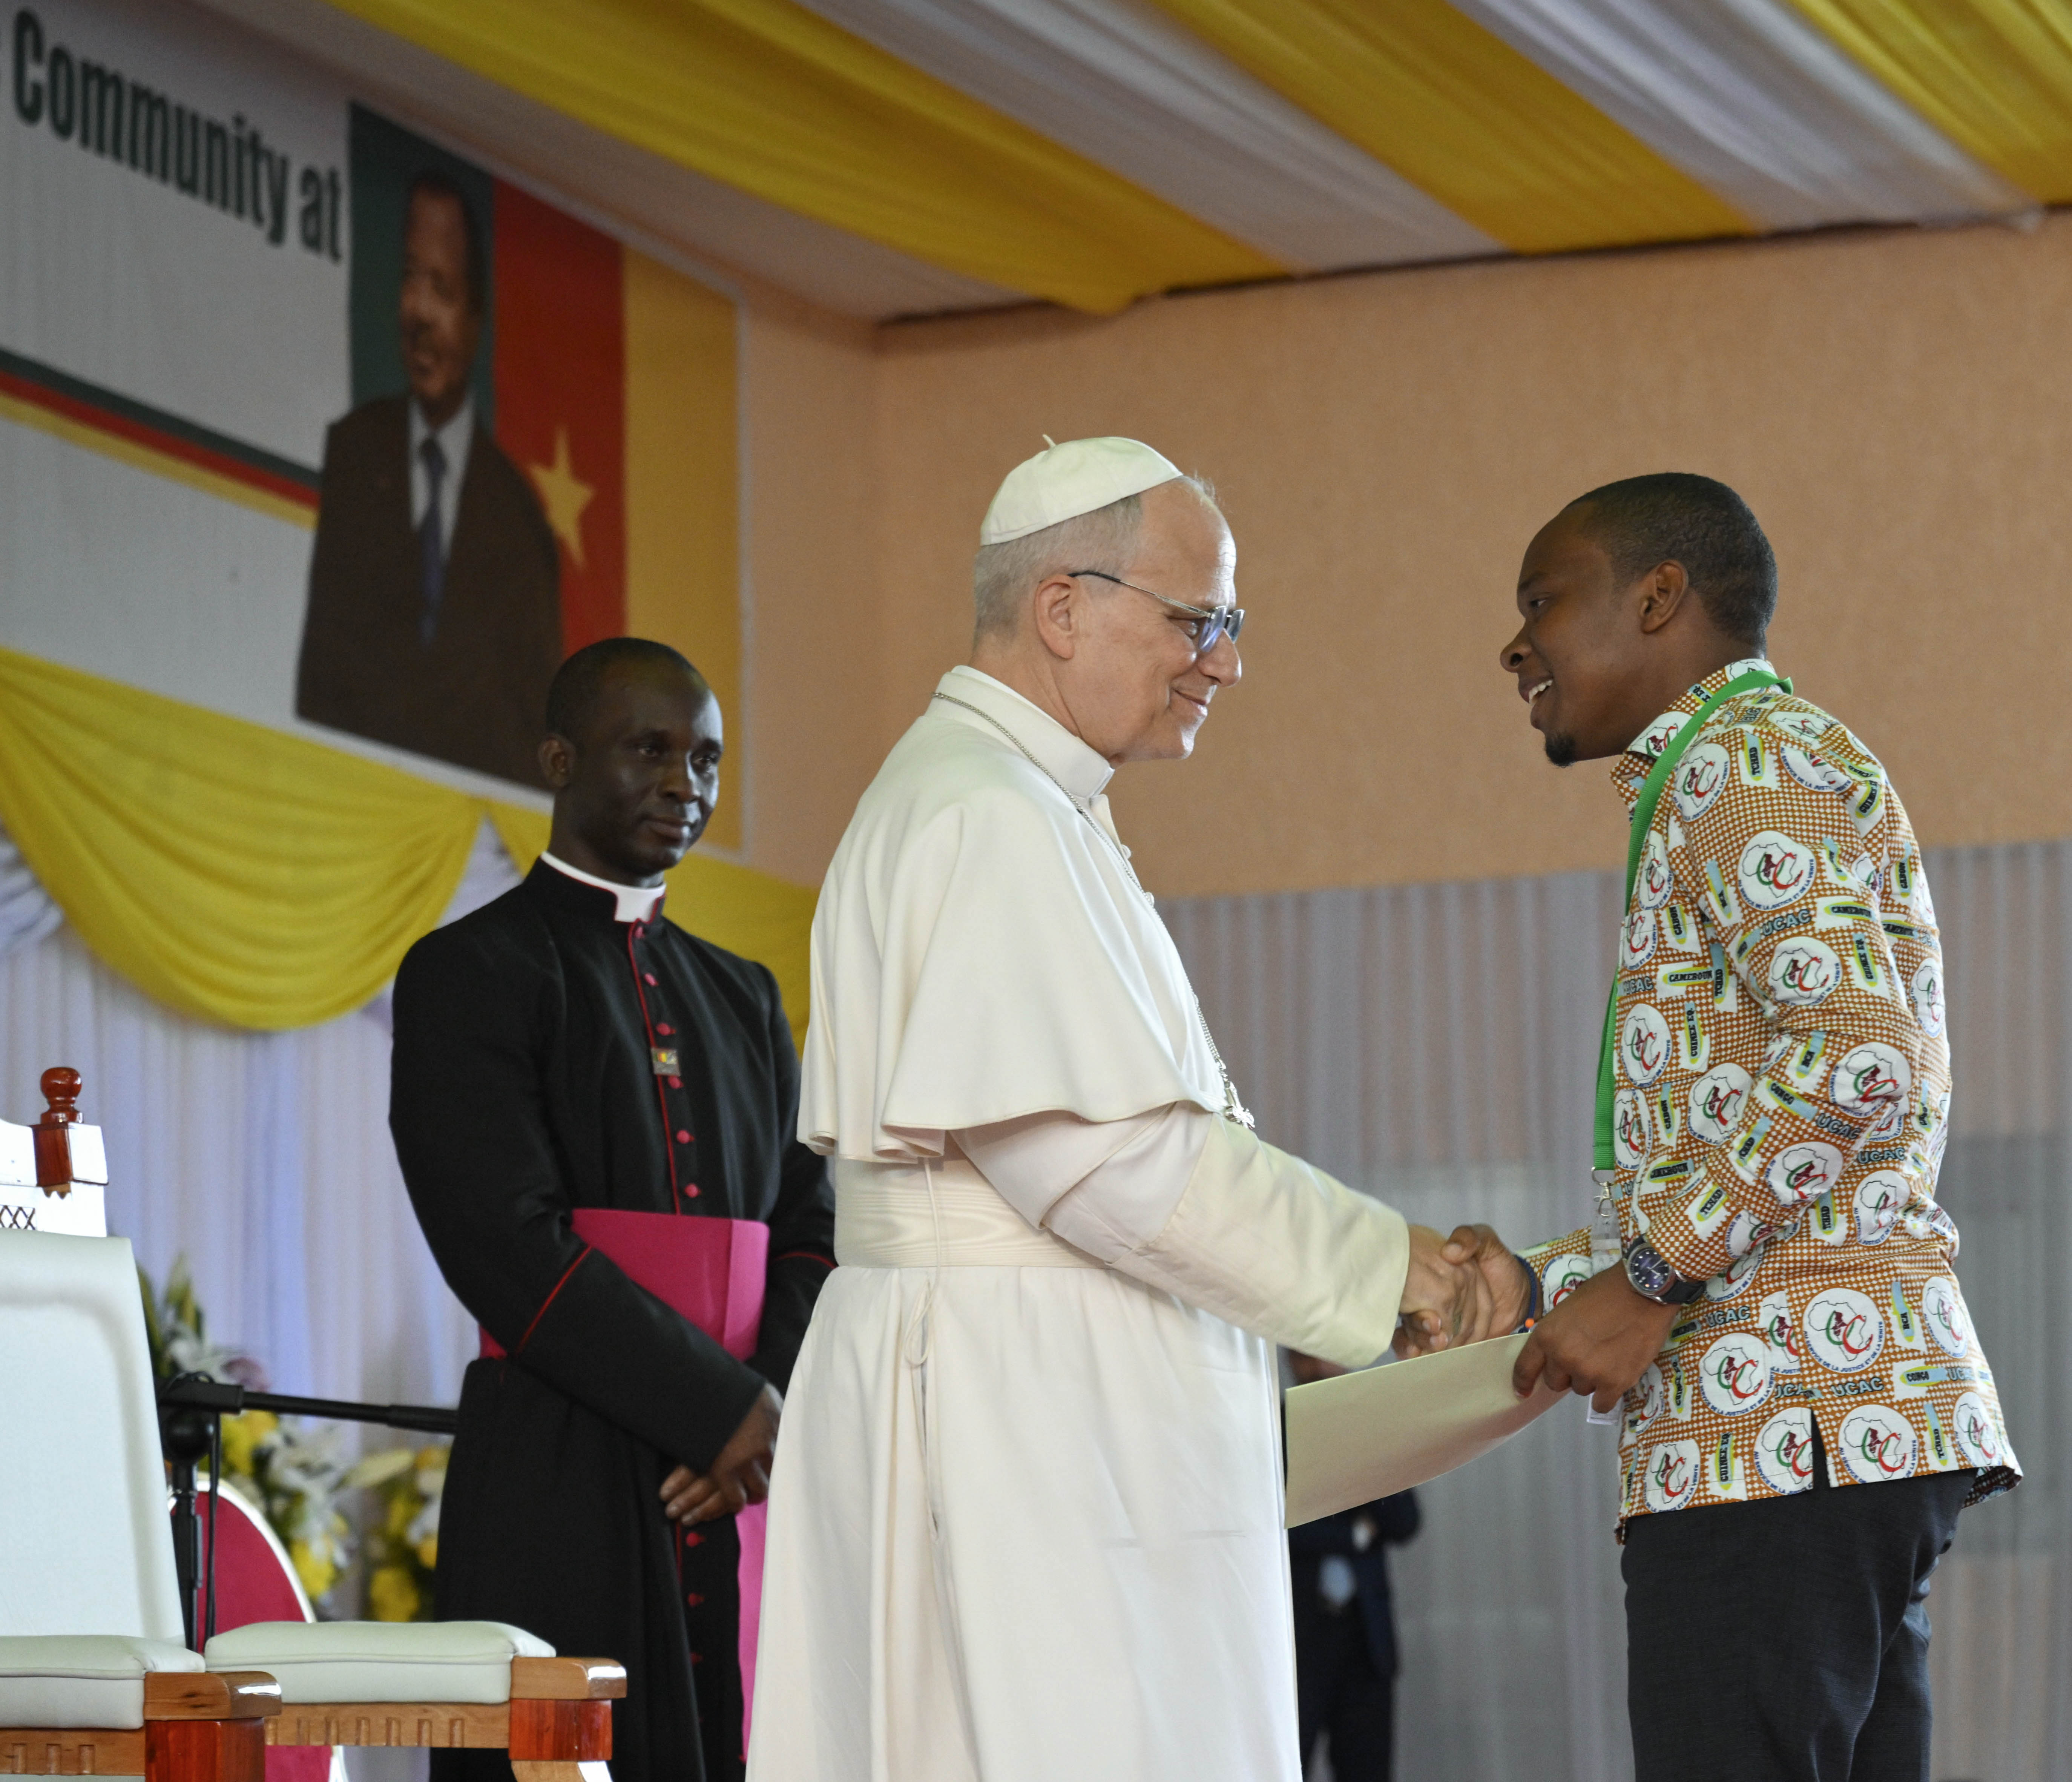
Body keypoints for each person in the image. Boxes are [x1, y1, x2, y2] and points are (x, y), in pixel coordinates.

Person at [750, 437, 1528, 1782]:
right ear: (1063, 606)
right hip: (1020, 1411)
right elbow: (1108, 1161)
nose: (1224, 659)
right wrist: (1391, 1268)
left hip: (1031, 1391)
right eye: (1198, 618)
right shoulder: (984, 814)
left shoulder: (1019, 802)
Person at [1498, 473, 2017, 1782]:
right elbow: (1782, 1112)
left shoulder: (1734, 756)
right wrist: (1537, 1283)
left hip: (1777, 1428)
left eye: (1542, 601)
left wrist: (1645, 1276)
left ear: (1658, 596)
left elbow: (1859, 1058)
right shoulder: (1736, 764)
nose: (1516, 645)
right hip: (1820, 1422)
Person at [391, 637, 835, 1782]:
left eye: (708, 758)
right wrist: (710, 1407)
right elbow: (501, 1237)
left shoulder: (743, 995)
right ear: (557, 758)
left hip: (744, 1472)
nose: (685, 782)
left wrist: (760, 1407)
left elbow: (810, 1224)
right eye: (650, 748)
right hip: (561, 1469)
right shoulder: (470, 972)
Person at [298, 167, 563, 785]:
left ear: (475, 319)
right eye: (409, 280)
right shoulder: (353, 455)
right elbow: (319, 685)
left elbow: (533, 752)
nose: (416, 311)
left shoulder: (520, 526)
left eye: (441, 289)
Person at [1288, 1353, 1421, 1782]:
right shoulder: (1273, 1426)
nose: (1325, 1362)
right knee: (1288, 1766)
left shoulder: (1370, 1426)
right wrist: (1354, 1535)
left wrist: (1354, 1446)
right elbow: (1271, 1528)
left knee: (1368, 1769)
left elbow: (1404, 1522)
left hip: (1365, 1643)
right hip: (1298, 1641)